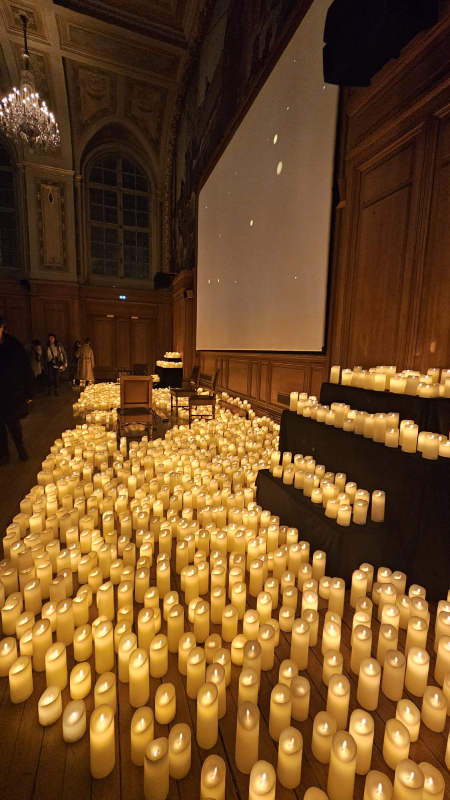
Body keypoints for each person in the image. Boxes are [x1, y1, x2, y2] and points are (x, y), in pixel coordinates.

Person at [0, 316, 35, 464]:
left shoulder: (14, 345)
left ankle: (20, 448)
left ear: (2, 327)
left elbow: (26, 369)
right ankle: (4, 454)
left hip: (11, 392)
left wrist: (29, 392)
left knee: (13, 423)